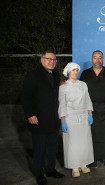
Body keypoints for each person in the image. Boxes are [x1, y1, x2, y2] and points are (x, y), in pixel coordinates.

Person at [21, 51, 64, 185]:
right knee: (39, 149)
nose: (52, 62)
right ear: (42, 60)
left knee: (52, 148)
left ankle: (50, 169)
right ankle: (39, 174)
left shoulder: (56, 75)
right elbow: (25, 97)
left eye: (54, 60)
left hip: (53, 119)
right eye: (48, 59)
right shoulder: (33, 75)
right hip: (38, 119)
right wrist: (30, 114)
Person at [80, 50, 105, 168]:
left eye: (100, 57)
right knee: (91, 133)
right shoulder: (85, 73)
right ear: (91, 59)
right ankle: (92, 158)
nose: (98, 60)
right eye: (95, 57)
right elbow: (79, 88)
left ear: (103, 59)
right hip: (90, 108)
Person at [58, 62, 94, 177]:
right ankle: (74, 167)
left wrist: (90, 114)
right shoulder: (63, 86)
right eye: (73, 70)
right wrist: (62, 120)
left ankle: (83, 164)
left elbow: (88, 100)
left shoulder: (83, 84)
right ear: (68, 71)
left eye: (77, 70)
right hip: (70, 117)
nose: (76, 72)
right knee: (72, 143)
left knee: (84, 142)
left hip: (83, 116)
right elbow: (62, 104)